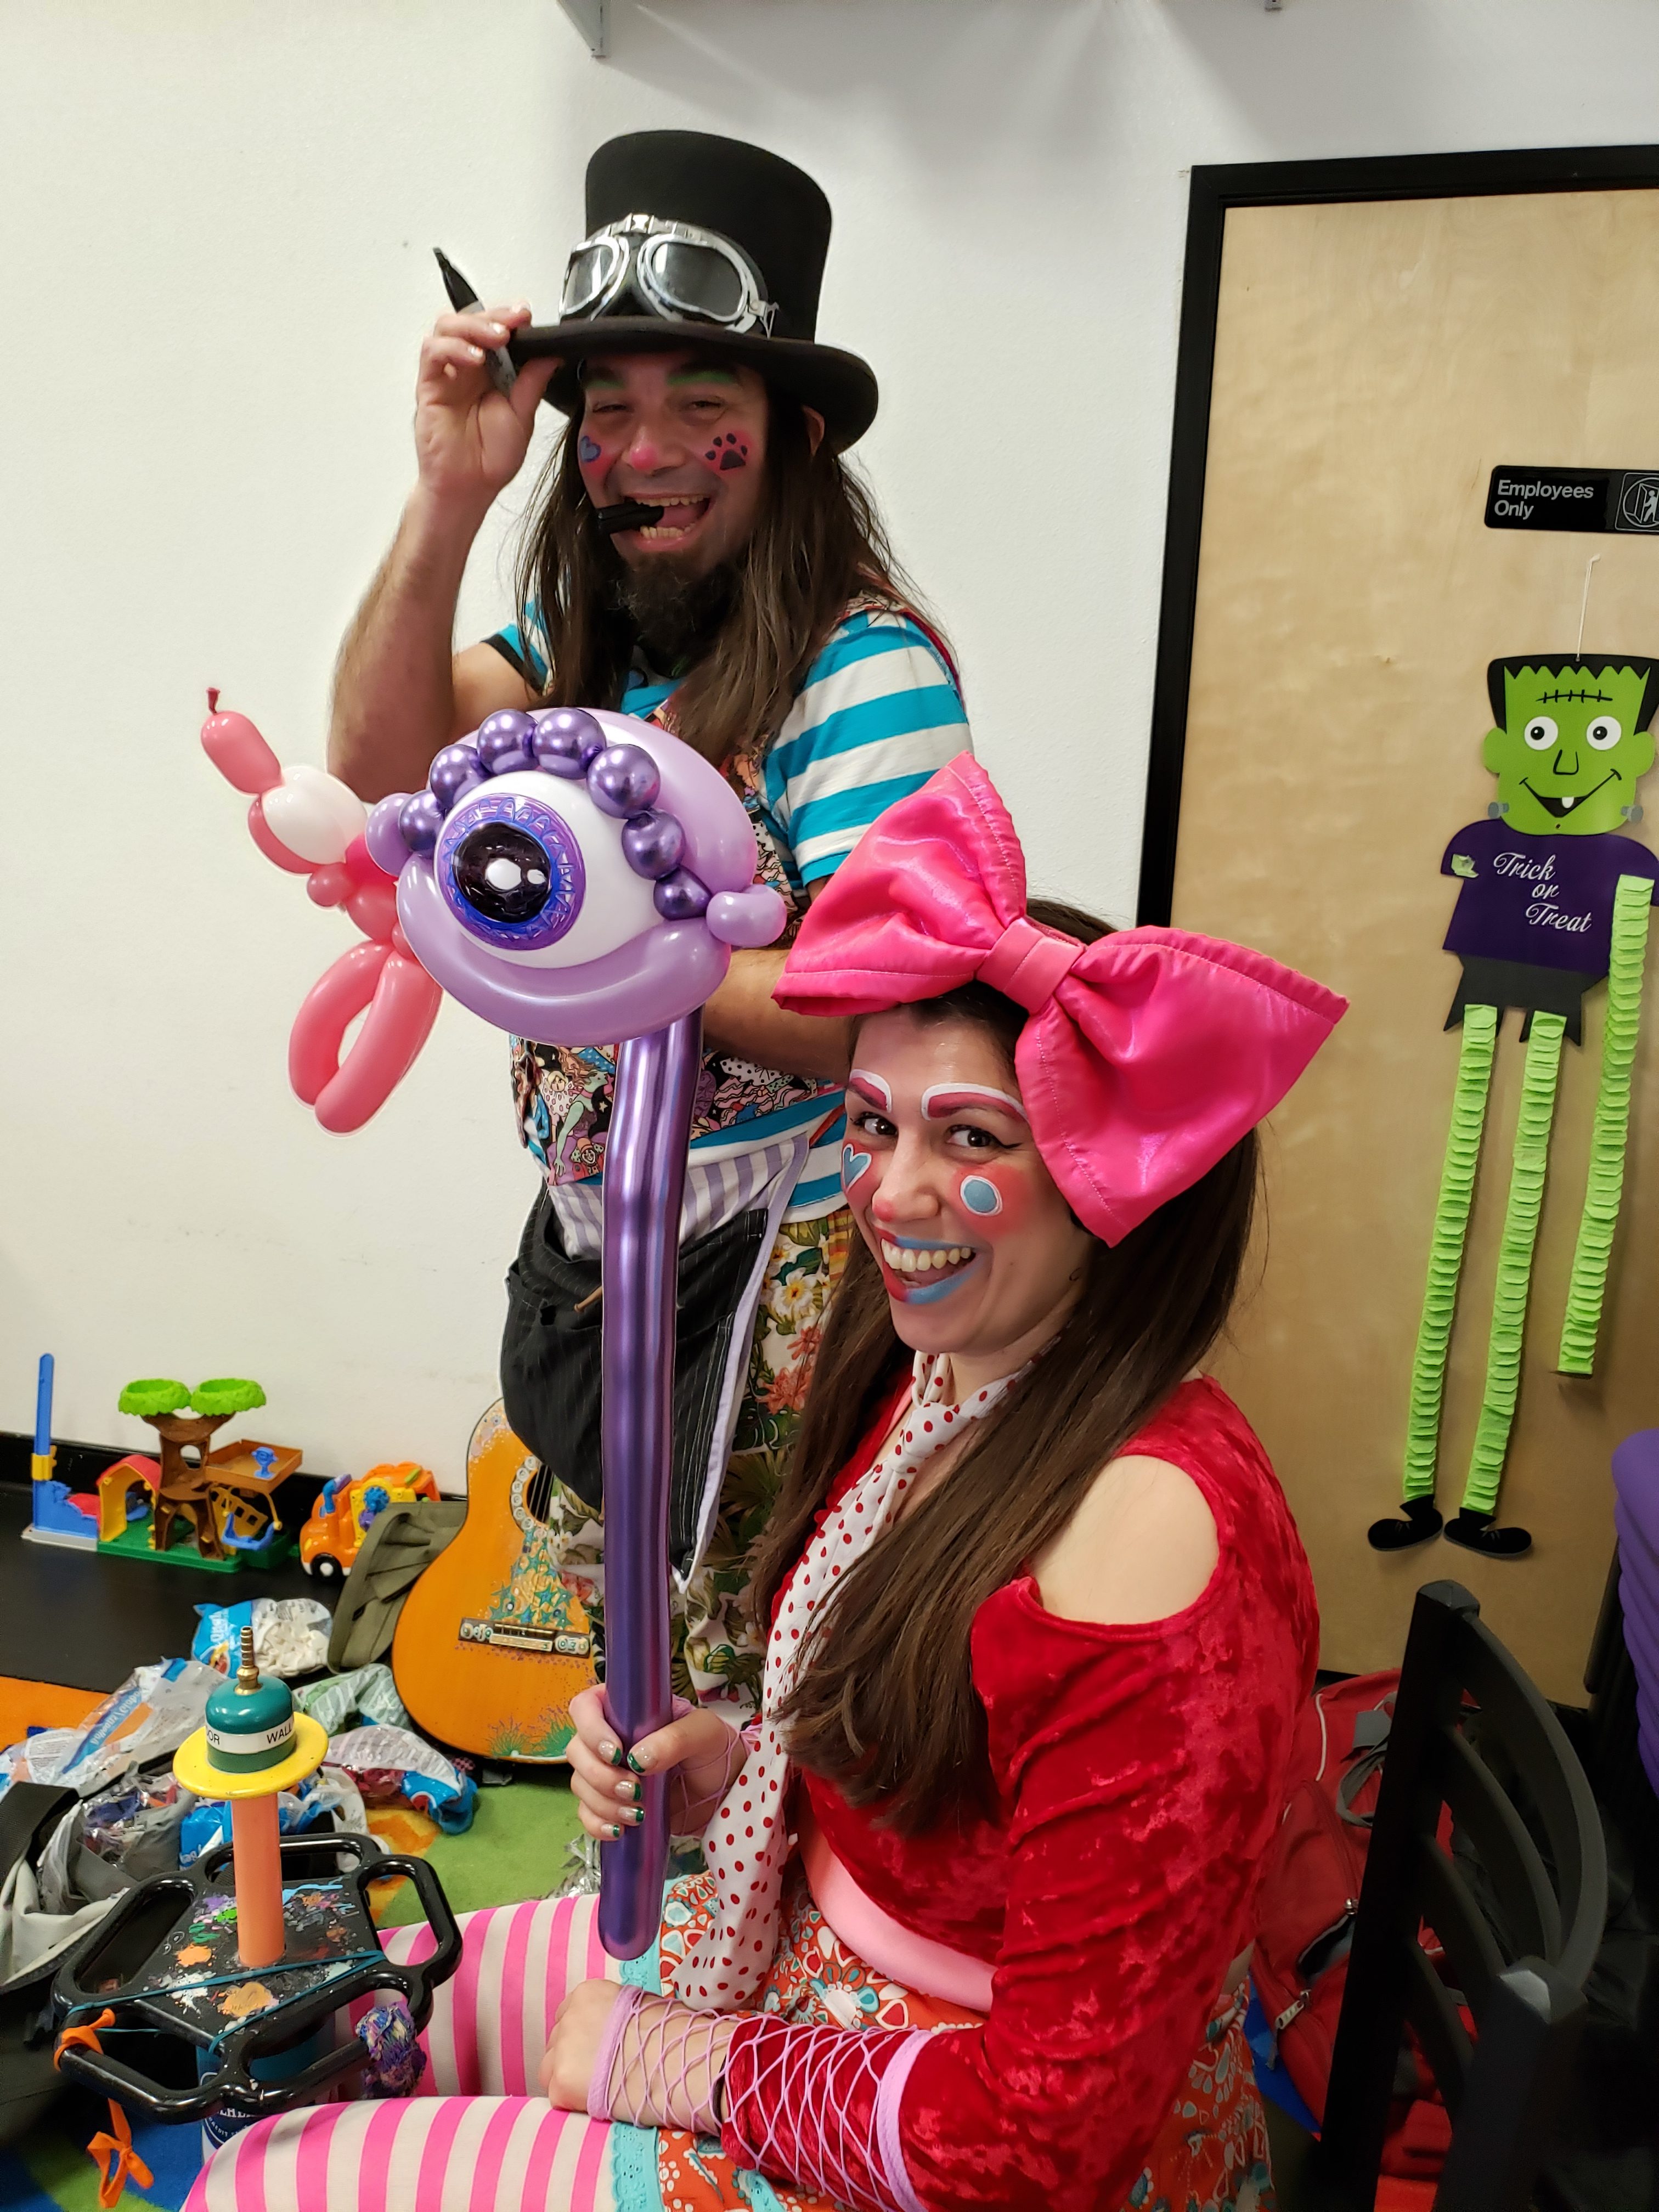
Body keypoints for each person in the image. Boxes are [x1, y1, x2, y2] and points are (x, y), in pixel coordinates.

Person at [189, 757, 1345, 2212]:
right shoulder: (942, 1373)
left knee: (267, 2185)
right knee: (399, 1993)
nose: (892, 1191)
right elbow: (946, 1789)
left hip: (969, 2132)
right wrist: (730, 1767)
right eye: (874, 1123)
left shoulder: (1146, 1532)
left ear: (1120, 1181)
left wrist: (673, 2064)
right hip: (817, 1954)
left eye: (972, 1139)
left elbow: (1046, 2144)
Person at [329, 131, 971, 1706]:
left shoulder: (867, 672)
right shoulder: (583, 626)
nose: (648, 447)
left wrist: (613, 956)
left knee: (735, 1683)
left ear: (791, 435)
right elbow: (372, 766)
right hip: (592, 1223)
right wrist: (443, 502)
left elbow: (884, 1010)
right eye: (605, 410)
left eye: (702, 406)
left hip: (785, 1266)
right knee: (626, 1669)